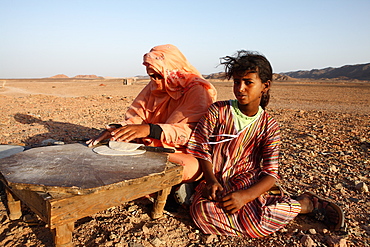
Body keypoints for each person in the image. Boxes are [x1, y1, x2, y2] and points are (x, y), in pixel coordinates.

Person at [187, 50, 345, 237]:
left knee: (258, 223)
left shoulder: (269, 126)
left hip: (246, 183)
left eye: (248, 82)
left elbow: (270, 174)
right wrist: (211, 180)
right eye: (237, 82)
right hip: (217, 183)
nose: (240, 88)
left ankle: (304, 205)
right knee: (202, 213)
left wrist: (245, 196)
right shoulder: (218, 111)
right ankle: (275, 207)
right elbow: (201, 147)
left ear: (265, 86)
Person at [87, 44, 217, 183]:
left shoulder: (197, 90)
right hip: (149, 146)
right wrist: (117, 129)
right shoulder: (154, 87)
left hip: (181, 151)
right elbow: (138, 117)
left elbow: (193, 132)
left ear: (172, 70)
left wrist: (150, 130)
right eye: (151, 76)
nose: (154, 81)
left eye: (159, 76)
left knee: (190, 168)